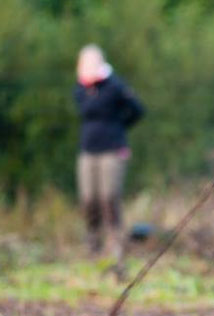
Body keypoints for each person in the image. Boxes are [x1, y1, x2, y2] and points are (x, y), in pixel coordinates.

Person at [73, 44, 144, 258]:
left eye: (92, 62)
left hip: (113, 149)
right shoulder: (80, 88)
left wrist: (119, 127)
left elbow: (138, 110)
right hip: (88, 150)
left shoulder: (115, 85)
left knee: (109, 197)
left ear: (101, 62)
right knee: (88, 199)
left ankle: (116, 245)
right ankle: (93, 245)